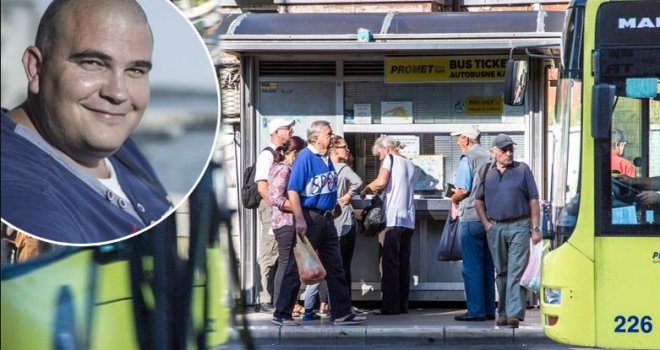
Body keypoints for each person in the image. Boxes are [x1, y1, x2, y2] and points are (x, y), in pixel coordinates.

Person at [1, 0, 171, 244]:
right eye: (93, 63)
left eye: (135, 70)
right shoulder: (29, 203)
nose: (118, 93)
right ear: (36, 68)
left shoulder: (115, 145)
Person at [287, 120, 366, 325]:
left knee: (335, 265)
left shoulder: (326, 159)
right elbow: (293, 189)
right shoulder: (305, 157)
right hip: (310, 217)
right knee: (298, 268)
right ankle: (282, 312)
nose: (332, 137)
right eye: (328, 133)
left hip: (328, 217)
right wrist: (299, 218)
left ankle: (340, 312)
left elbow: (330, 187)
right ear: (316, 137)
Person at [474, 134, 542, 328]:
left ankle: (514, 313)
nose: (509, 153)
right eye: (504, 150)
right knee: (501, 271)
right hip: (495, 227)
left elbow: (534, 199)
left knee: (516, 270)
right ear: (493, 152)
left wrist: (535, 228)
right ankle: (502, 312)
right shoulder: (486, 170)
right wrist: (486, 224)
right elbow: (478, 200)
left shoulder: (522, 170)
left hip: (520, 225)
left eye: (511, 149)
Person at [360, 136, 415, 315]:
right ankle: (402, 305)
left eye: (379, 154)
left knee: (389, 264)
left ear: (385, 149)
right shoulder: (409, 163)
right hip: (408, 220)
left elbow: (382, 182)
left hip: (392, 219)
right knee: (403, 264)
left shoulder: (390, 159)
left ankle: (390, 307)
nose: (379, 158)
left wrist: (367, 188)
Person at [449, 125, 496, 322]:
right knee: (488, 265)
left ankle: (475, 310)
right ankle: (488, 309)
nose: (457, 141)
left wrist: (453, 199)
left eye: (458, 138)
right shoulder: (490, 156)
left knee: (472, 266)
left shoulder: (467, 158)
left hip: (471, 216)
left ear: (466, 139)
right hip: (491, 216)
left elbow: (463, 190)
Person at [254, 117, 296, 312]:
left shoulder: (280, 154)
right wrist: (277, 208)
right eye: (287, 128)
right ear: (277, 131)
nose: (290, 132)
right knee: (269, 253)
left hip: (280, 210)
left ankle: (279, 298)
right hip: (273, 209)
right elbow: (263, 188)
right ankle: (264, 299)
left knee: (282, 255)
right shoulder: (267, 155)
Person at [267, 135, 307, 326]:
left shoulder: (280, 167)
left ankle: (283, 308)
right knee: (288, 264)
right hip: (285, 222)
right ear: (295, 153)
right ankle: (282, 310)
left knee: (288, 264)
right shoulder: (284, 169)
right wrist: (298, 207)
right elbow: (275, 197)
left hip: (283, 222)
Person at [330, 136, 364, 315]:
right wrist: (349, 195)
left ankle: (325, 303)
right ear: (334, 150)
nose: (348, 150)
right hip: (344, 219)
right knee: (344, 266)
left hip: (329, 223)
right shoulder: (343, 168)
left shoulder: (324, 168)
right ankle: (345, 304)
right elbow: (358, 182)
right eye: (344, 147)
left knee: (332, 266)